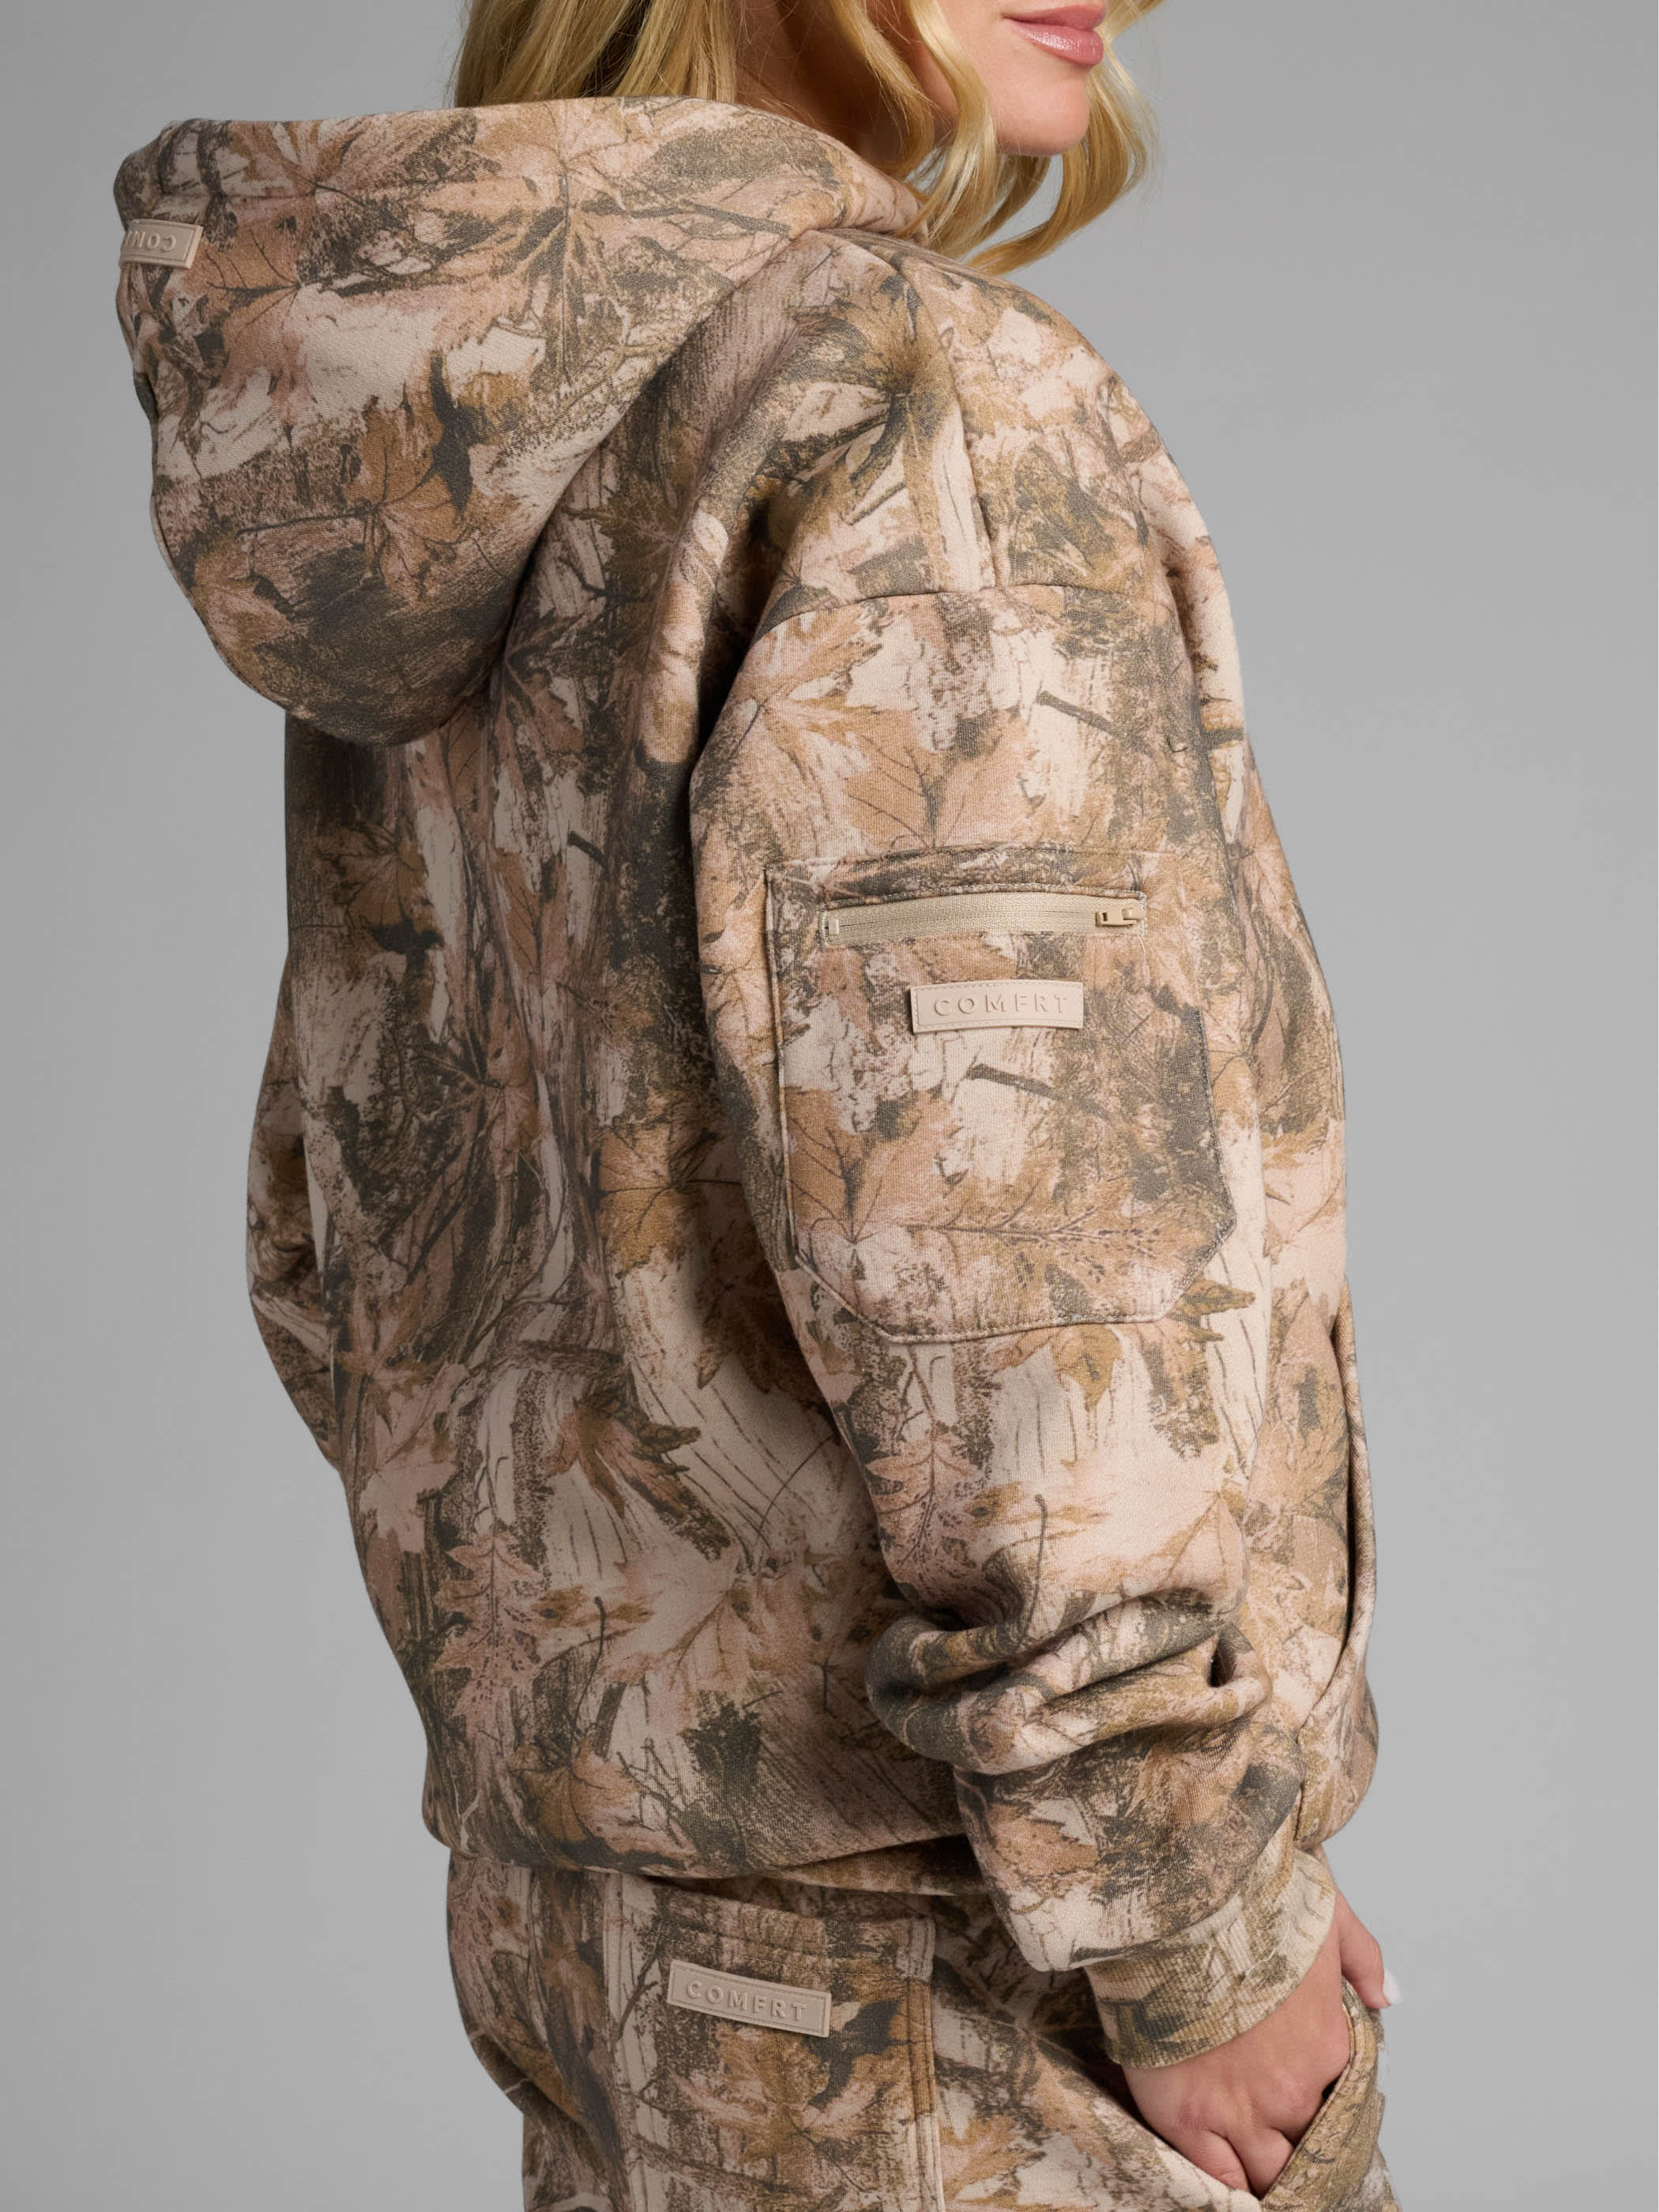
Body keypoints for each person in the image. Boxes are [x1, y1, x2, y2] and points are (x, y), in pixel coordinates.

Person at [113, 2, 1396, 2203]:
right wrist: (1189, 1915)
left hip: (598, 1947)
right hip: (960, 1991)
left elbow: (351, 1214)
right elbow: (1016, 1278)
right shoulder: (909, 402)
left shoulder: (480, 442)